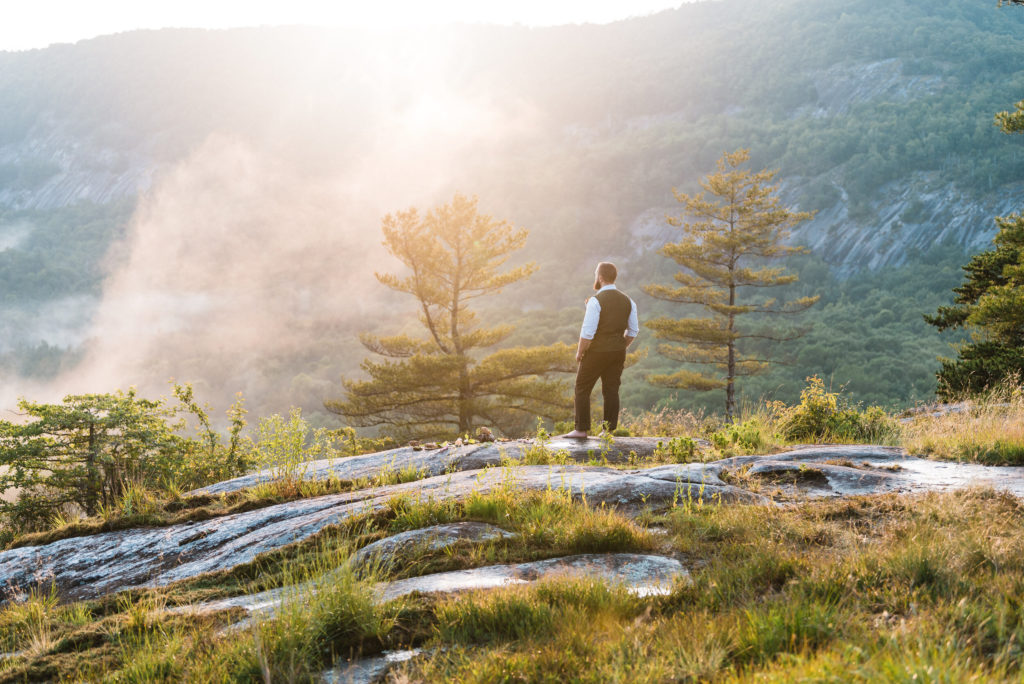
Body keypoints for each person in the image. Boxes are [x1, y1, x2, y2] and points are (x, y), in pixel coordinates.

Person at [562, 261, 638, 439]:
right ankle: (608, 431)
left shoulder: (596, 301)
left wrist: (580, 352)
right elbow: (633, 331)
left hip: (596, 352)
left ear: (601, 278)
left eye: (596, 274)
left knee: (582, 388)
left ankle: (581, 430)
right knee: (611, 390)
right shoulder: (628, 301)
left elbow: (587, 333)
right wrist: (621, 346)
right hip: (618, 352)